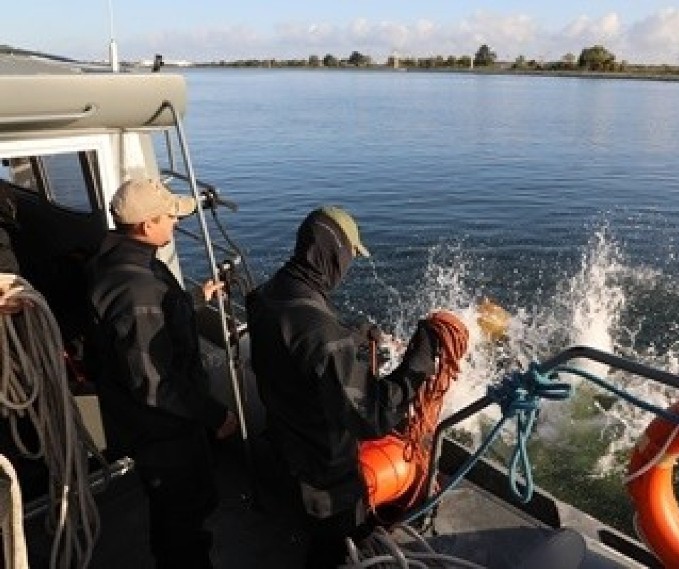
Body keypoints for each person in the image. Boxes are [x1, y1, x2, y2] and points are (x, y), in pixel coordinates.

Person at [247, 206, 438, 569]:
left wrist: (350, 337)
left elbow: (297, 346)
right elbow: (373, 416)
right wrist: (420, 362)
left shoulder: (267, 294)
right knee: (334, 555)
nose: (348, 266)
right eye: (349, 255)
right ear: (331, 252)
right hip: (324, 481)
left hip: (284, 452)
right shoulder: (320, 331)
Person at [86, 178, 238, 569]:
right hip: (163, 431)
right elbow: (154, 381)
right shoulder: (138, 289)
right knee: (180, 521)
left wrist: (193, 298)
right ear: (146, 225)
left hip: (151, 426)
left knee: (177, 513)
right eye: (169, 216)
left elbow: (151, 321)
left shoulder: (120, 263)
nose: (175, 222)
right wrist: (214, 415)